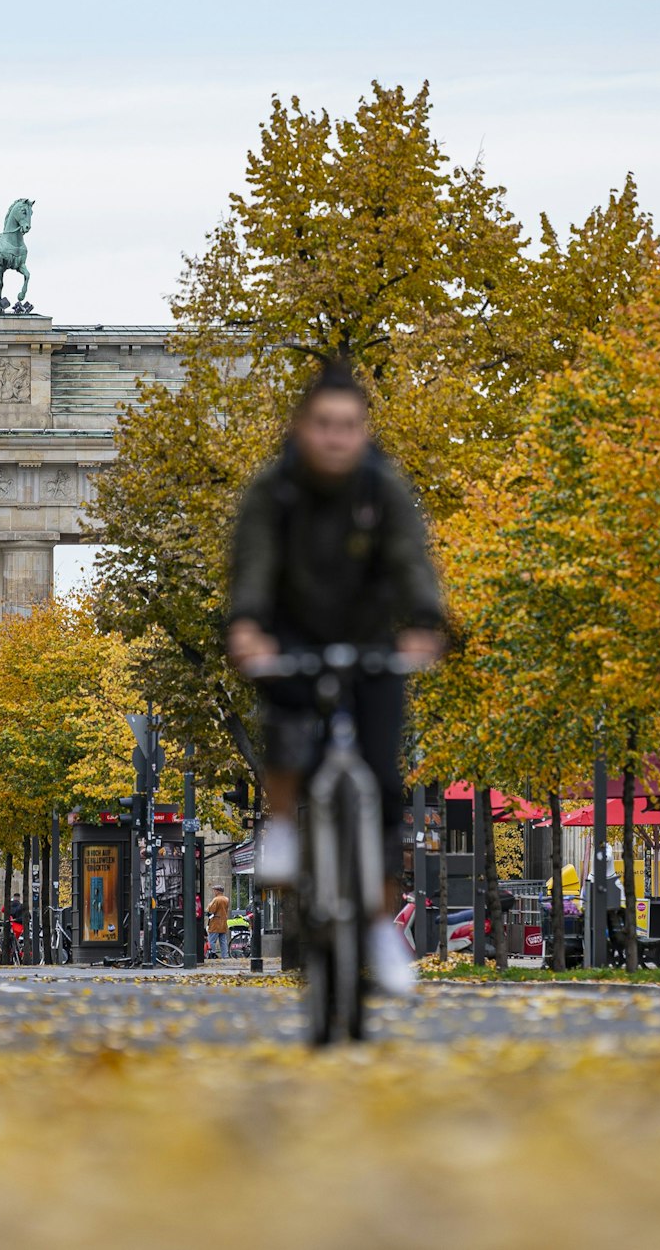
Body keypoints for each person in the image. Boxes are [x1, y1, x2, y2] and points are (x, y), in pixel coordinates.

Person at [225, 364, 446, 995]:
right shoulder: (275, 491)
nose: (336, 437)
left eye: (349, 425)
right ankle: (282, 826)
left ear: (363, 430)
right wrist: (247, 624)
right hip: (293, 633)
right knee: (287, 722)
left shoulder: (382, 487)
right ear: (302, 427)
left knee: (383, 783)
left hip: (369, 639)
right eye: (324, 424)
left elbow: (410, 558)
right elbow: (253, 564)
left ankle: (379, 925)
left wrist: (426, 620)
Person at [206, 885, 231, 959]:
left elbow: (211, 910)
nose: (214, 892)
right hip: (223, 922)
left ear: (218, 891)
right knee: (223, 940)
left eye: (214, 890)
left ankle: (212, 954)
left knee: (211, 940)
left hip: (215, 922)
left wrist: (208, 907)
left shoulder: (216, 899)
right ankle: (225, 955)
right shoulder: (226, 899)